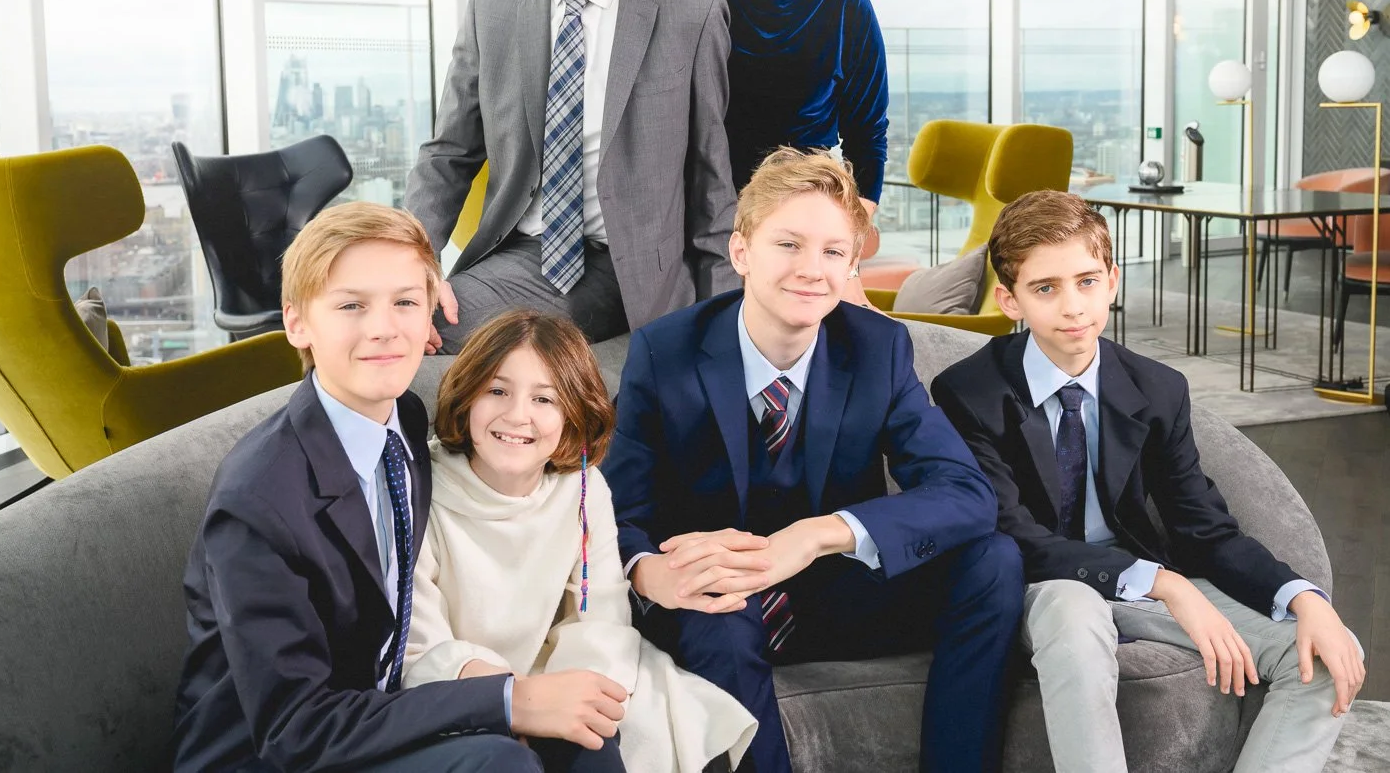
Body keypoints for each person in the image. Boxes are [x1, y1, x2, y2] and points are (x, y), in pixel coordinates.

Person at [172, 203, 636, 772]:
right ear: (297, 323)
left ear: (432, 317)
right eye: (351, 305)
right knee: (498, 763)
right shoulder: (258, 502)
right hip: (288, 752)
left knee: (587, 732)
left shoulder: (407, 423)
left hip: (389, 712)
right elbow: (295, 730)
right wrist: (504, 701)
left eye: (405, 303)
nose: (384, 328)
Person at [602, 148, 1024, 773]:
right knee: (717, 612)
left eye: (833, 252)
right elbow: (615, 512)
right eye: (789, 244)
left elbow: (965, 493)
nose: (811, 270)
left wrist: (819, 536)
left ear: (854, 263)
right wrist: (647, 574)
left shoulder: (877, 347)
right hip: (722, 598)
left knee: (994, 560)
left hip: (835, 592)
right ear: (741, 251)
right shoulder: (667, 352)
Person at [929, 190, 1366, 773]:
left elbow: (1204, 526)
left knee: (1330, 652)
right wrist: (1168, 585)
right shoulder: (968, 392)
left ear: (1112, 280)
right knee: (1074, 611)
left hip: (1140, 584)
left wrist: (1302, 596)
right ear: (1010, 301)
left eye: (1087, 281)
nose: (1072, 306)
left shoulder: (1158, 389)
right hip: (1043, 583)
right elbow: (1011, 534)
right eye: (1045, 288)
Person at [405, 0, 738, 356]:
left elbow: (712, 187)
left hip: (637, 270)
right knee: (406, 330)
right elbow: (448, 155)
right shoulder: (495, 6)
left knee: (457, 345)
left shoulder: (692, 13)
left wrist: (729, 326)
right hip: (523, 254)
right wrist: (409, 266)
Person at [517, 0, 888, 305]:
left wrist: (844, 250)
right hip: (697, 225)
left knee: (855, 348)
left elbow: (869, 140)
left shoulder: (848, 9)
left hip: (801, 224)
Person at [404, 309, 757, 773]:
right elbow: (419, 645)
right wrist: (519, 698)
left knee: (642, 734)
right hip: (465, 687)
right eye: (496, 391)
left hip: (565, 672)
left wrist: (571, 694)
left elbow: (602, 614)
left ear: (574, 414)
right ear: (466, 397)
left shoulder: (584, 488)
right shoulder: (419, 490)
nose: (517, 416)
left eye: (545, 399)